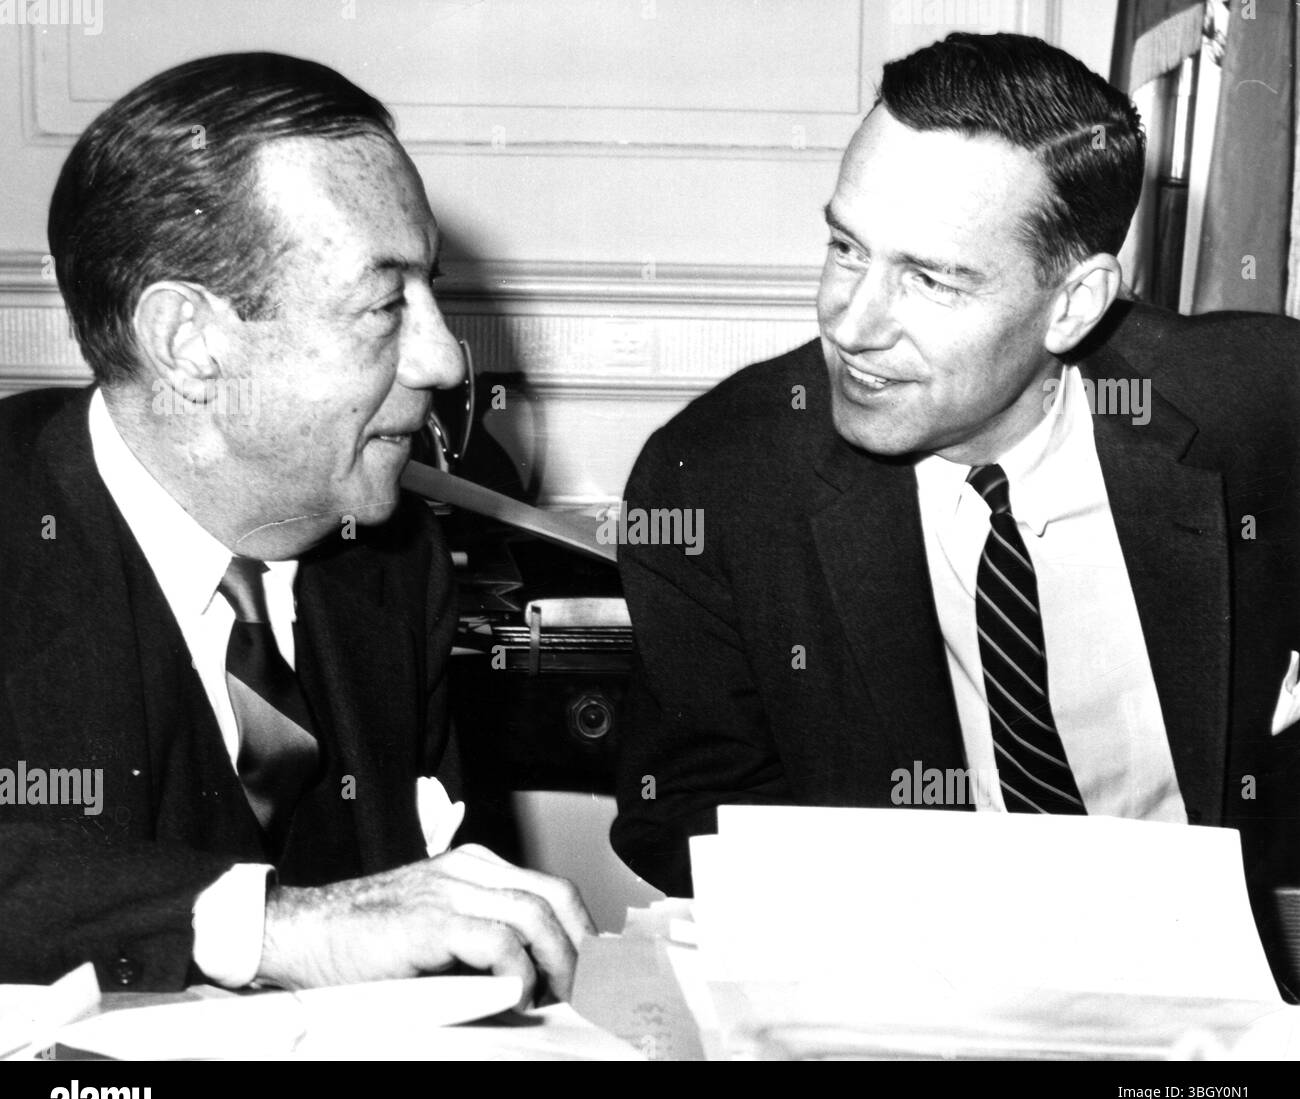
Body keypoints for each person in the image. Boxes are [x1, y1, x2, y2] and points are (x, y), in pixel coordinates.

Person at [611, 32, 1300, 979]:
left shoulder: (1266, 408)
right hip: (901, 992)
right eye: (846, 248)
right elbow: (684, 805)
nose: (849, 323)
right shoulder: (716, 479)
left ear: (1074, 304)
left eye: (930, 280)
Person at [0, 52, 592, 1002]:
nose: (445, 361)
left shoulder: (397, 563)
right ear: (189, 342)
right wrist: (270, 925)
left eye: (430, 293)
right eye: (385, 304)